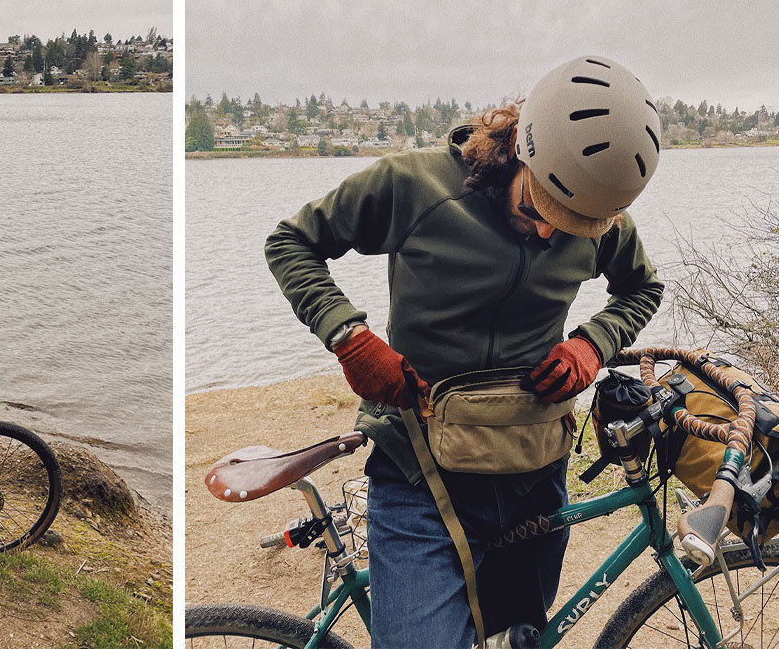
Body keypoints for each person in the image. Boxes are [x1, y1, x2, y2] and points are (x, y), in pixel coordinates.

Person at [265, 56, 665, 648]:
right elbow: (291, 242)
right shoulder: (414, 186)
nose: (553, 234)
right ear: (522, 150)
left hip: (534, 467)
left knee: (518, 634)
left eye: (576, 226)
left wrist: (592, 342)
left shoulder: (600, 219)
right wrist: (348, 335)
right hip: (417, 472)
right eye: (540, 211)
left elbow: (642, 288)